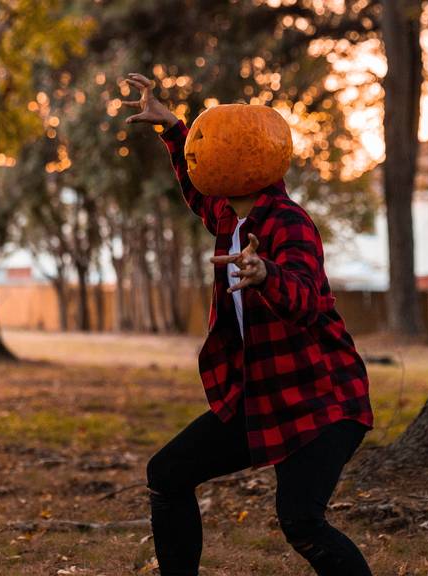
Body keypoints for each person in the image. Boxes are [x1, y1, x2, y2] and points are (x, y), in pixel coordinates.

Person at [122, 72, 375, 576]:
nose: (197, 153)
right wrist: (173, 128)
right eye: (196, 145)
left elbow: (306, 298)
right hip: (260, 396)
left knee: (302, 521)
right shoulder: (230, 215)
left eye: (206, 144)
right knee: (167, 474)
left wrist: (266, 273)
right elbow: (197, 192)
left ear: (249, 157)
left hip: (322, 401)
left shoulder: (289, 222)